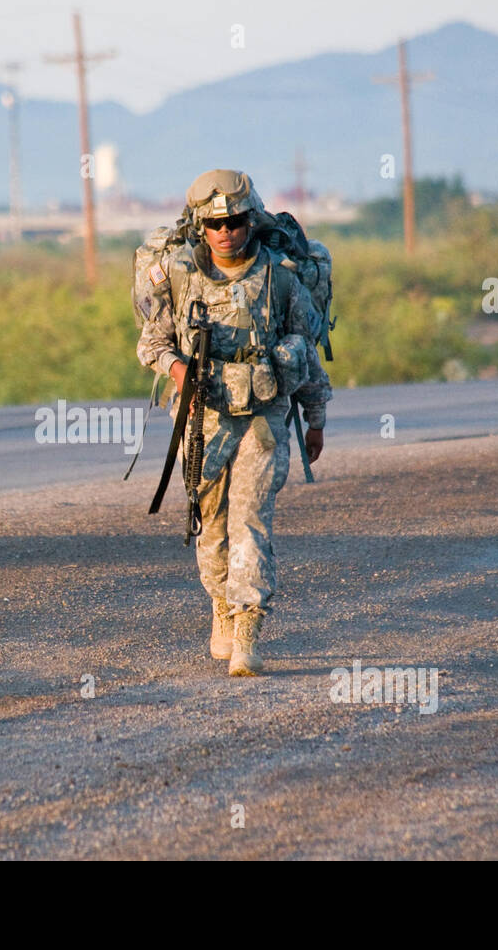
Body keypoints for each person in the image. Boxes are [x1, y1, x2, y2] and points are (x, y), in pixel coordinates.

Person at [135, 169, 332, 675]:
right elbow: (151, 344)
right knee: (211, 525)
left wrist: (315, 416)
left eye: (236, 220)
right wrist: (180, 370)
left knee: (250, 519)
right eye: (216, 223)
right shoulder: (179, 276)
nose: (226, 230)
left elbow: (305, 350)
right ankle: (221, 605)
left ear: (251, 220)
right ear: (202, 226)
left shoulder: (280, 276)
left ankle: (248, 624)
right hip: (203, 419)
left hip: (262, 417)